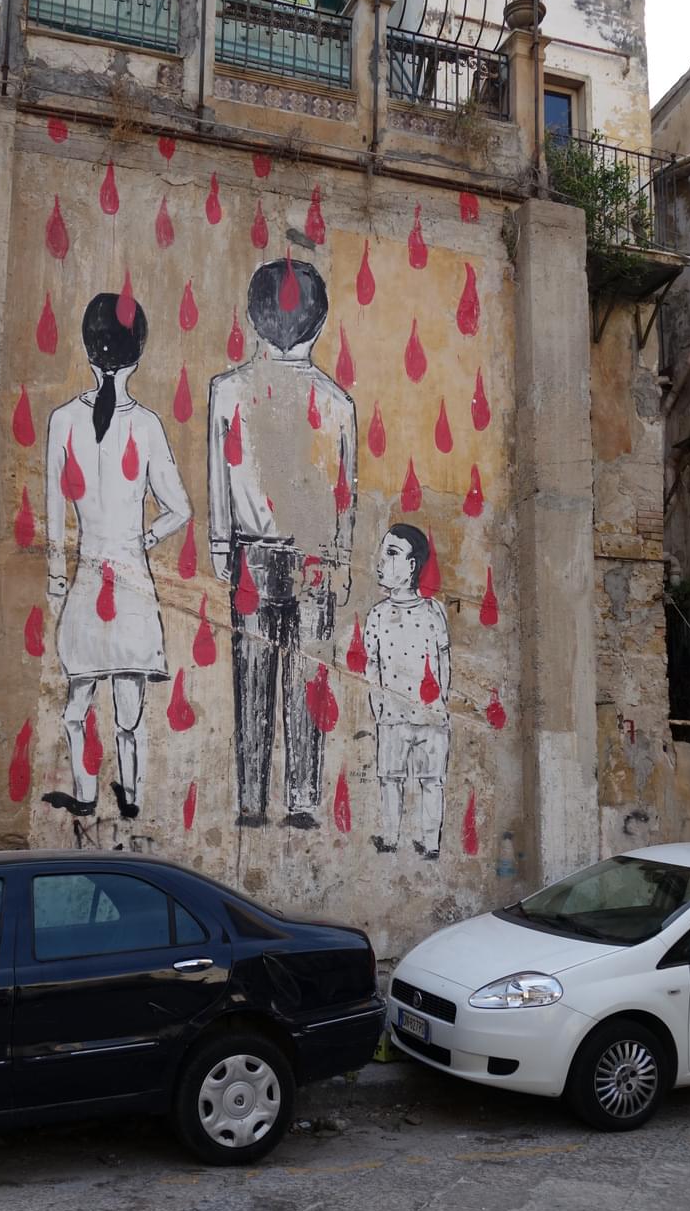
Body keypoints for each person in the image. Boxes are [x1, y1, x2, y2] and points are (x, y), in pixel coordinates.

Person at [208, 258, 356, 827]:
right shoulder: (338, 402)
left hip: (250, 551)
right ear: (319, 324)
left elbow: (219, 477)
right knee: (307, 681)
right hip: (316, 557)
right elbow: (344, 491)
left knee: (252, 676)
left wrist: (220, 544)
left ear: (253, 318)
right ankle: (302, 799)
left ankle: (251, 800)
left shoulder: (228, 390)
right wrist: (342, 558)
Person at [43, 292, 191, 820]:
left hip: (87, 578)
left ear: (88, 350)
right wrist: (143, 540)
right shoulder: (146, 425)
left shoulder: (64, 419)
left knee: (77, 704)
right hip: (131, 581)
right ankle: (130, 800)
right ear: (139, 354)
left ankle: (86, 796)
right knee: (129, 710)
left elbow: (54, 510)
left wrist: (56, 578)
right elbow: (180, 509)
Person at [364, 524, 451, 858]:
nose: (381, 562)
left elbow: (444, 661)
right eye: (382, 552)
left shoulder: (434, 611)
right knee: (390, 779)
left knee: (432, 780)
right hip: (392, 715)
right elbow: (371, 665)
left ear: (412, 565)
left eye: (392, 553)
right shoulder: (377, 615)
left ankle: (431, 843)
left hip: (431, 716)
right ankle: (390, 838)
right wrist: (379, 706)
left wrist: (441, 703)